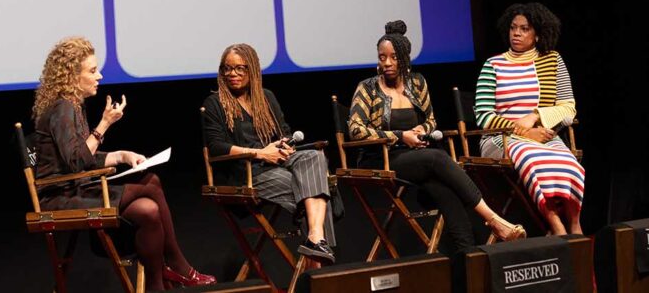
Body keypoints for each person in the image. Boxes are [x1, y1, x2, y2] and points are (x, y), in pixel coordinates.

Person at [32, 37, 215, 290]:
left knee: (149, 211)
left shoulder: (72, 106)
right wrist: (104, 124)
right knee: (151, 182)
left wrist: (121, 155)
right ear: (71, 75)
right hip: (60, 196)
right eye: (93, 71)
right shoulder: (63, 107)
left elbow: (81, 157)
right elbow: (76, 162)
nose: (100, 76)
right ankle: (176, 265)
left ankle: (157, 284)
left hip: (75, 189)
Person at [349, 21, 525, 254]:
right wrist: (401, 136)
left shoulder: (418, 83)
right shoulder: (368, 88)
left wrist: (422, 130)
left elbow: (431, 120)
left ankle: (468, 257)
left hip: (416, 157)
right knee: (439, 159)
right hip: (381, 158)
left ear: (405, 57)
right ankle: (493, 219)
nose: (388, 63)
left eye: (393, 57)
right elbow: (355, 130)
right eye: (382, 58)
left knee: (445, 190)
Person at [202, 43, 336, 263]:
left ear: (252, 70)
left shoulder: (266, 97)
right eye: (227, 69)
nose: (232, 74)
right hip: (247, 173)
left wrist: (285, 144)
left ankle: (315, 239)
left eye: (240, 68)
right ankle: (318, 269)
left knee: (314, 157)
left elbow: (283, 131)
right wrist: (260, 153)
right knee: (316, 192)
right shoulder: (215, 103)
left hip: (277, 164)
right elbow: (216, 147)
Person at [476, 3, 585, 235]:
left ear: (537, 35)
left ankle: (575, 223)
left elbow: (568, 108)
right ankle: (555, 223)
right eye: (513, 28)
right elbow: (484, 116)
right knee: (532, 159)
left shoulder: (552, 61)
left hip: (543, 135)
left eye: (524, 29)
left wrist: (536, 115)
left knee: (570, 164)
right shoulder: (493, 65)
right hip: (501, 138)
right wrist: (523, 131)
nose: (516, 33)